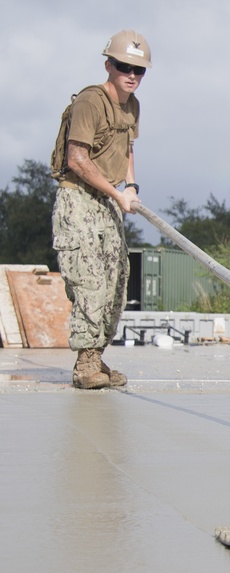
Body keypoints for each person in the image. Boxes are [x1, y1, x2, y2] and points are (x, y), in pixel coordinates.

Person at [52, 30, 151, 389]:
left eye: (139, 70)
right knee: (89, 279)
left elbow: (127, 150)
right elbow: (76, 159)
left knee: (117, 282)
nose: (132, 75)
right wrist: (117, 193)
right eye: (124, 66)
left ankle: (97, 353)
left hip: (108, 199)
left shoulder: (133, 105)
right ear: (108, 64)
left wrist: (131, 187)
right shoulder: (91, 102)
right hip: (78, 198)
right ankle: (84, 365)